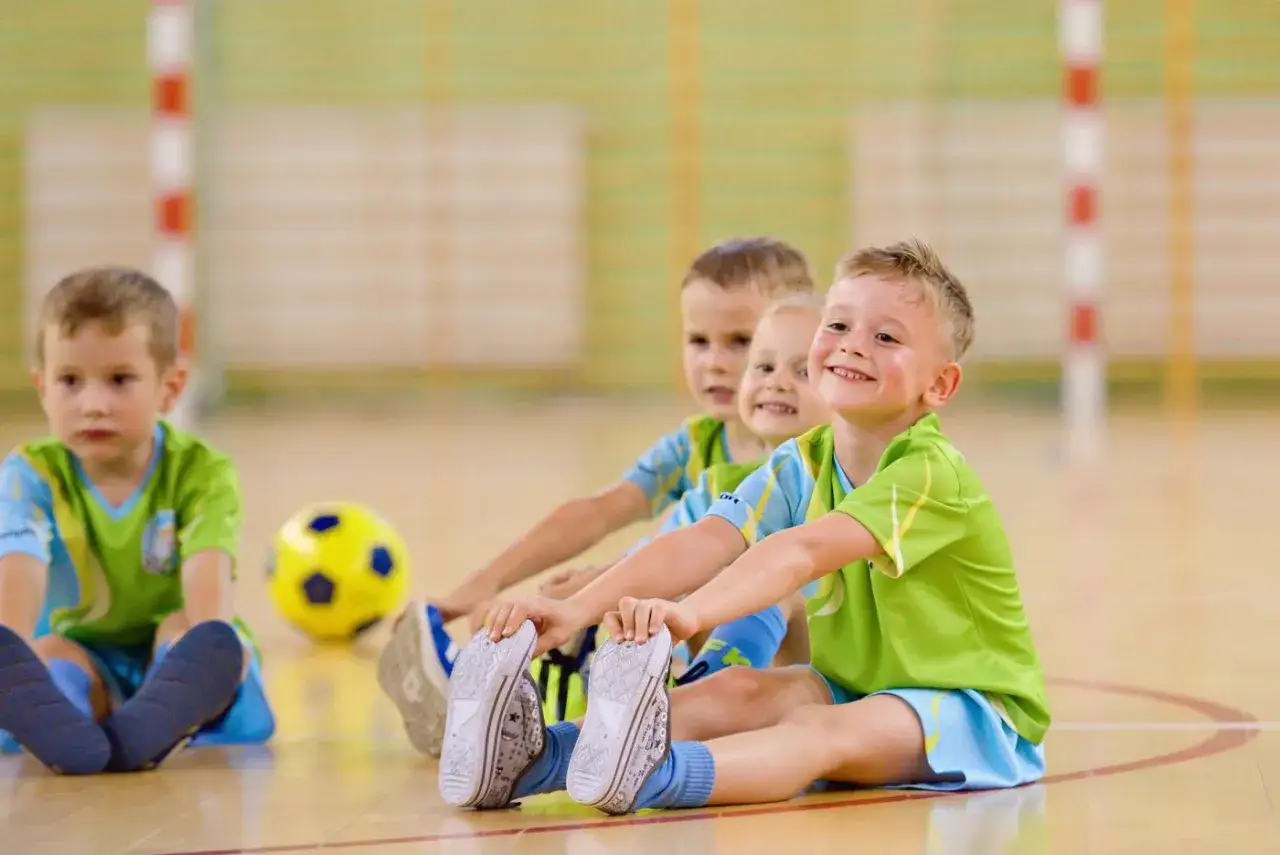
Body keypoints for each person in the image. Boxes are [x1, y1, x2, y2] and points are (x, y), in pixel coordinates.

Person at [435, 238, 1050, 815]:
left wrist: (689, 614)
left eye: (885, 336)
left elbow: (800, 552)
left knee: (815, 729)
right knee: (732, 693)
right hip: (855, 685)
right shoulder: (800, 461)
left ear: (939, 384)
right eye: (838, 325)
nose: (851, 345)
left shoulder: (930, 474)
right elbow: (705, 539)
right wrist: (578, 611)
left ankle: (656, 775)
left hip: (971, 711)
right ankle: (533, 760)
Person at [378, 237, 815, 755]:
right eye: (698, 341)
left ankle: (684, 706)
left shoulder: (810, 458)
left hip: (790, 657)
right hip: (702, 624)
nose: (715, 363)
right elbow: (597, 512)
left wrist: (601, 583)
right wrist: (477, 588)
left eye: (740, 341)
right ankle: (507, 702)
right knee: (571, 602)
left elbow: (727, 556)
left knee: (673, 585)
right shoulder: (700, 443)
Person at [0, 267, 274, 775]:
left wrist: (209, 647)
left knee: (189, 630)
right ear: (42, 387)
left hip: (167, 653)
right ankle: (68, 726)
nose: (93, 405)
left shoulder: (200, 471)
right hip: (83, 651)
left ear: (171, 387)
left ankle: (183, 705)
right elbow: (20, 563)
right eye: (70, 381)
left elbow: (207, 568)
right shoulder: (29, 474)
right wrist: (9, 646)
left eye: (119, 380)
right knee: (49, 652)